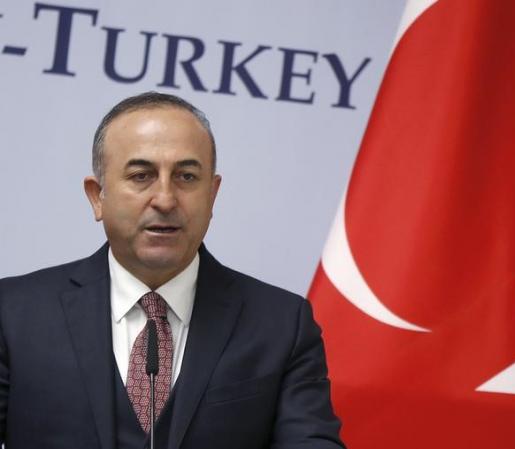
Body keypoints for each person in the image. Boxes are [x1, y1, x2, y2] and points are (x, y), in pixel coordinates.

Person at [0, 92, 345, 449]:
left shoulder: (281, 324)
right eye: (141, 175)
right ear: (96, 196)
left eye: (186, 176)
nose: (165, 199)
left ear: (212, 195)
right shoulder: (14, 314)